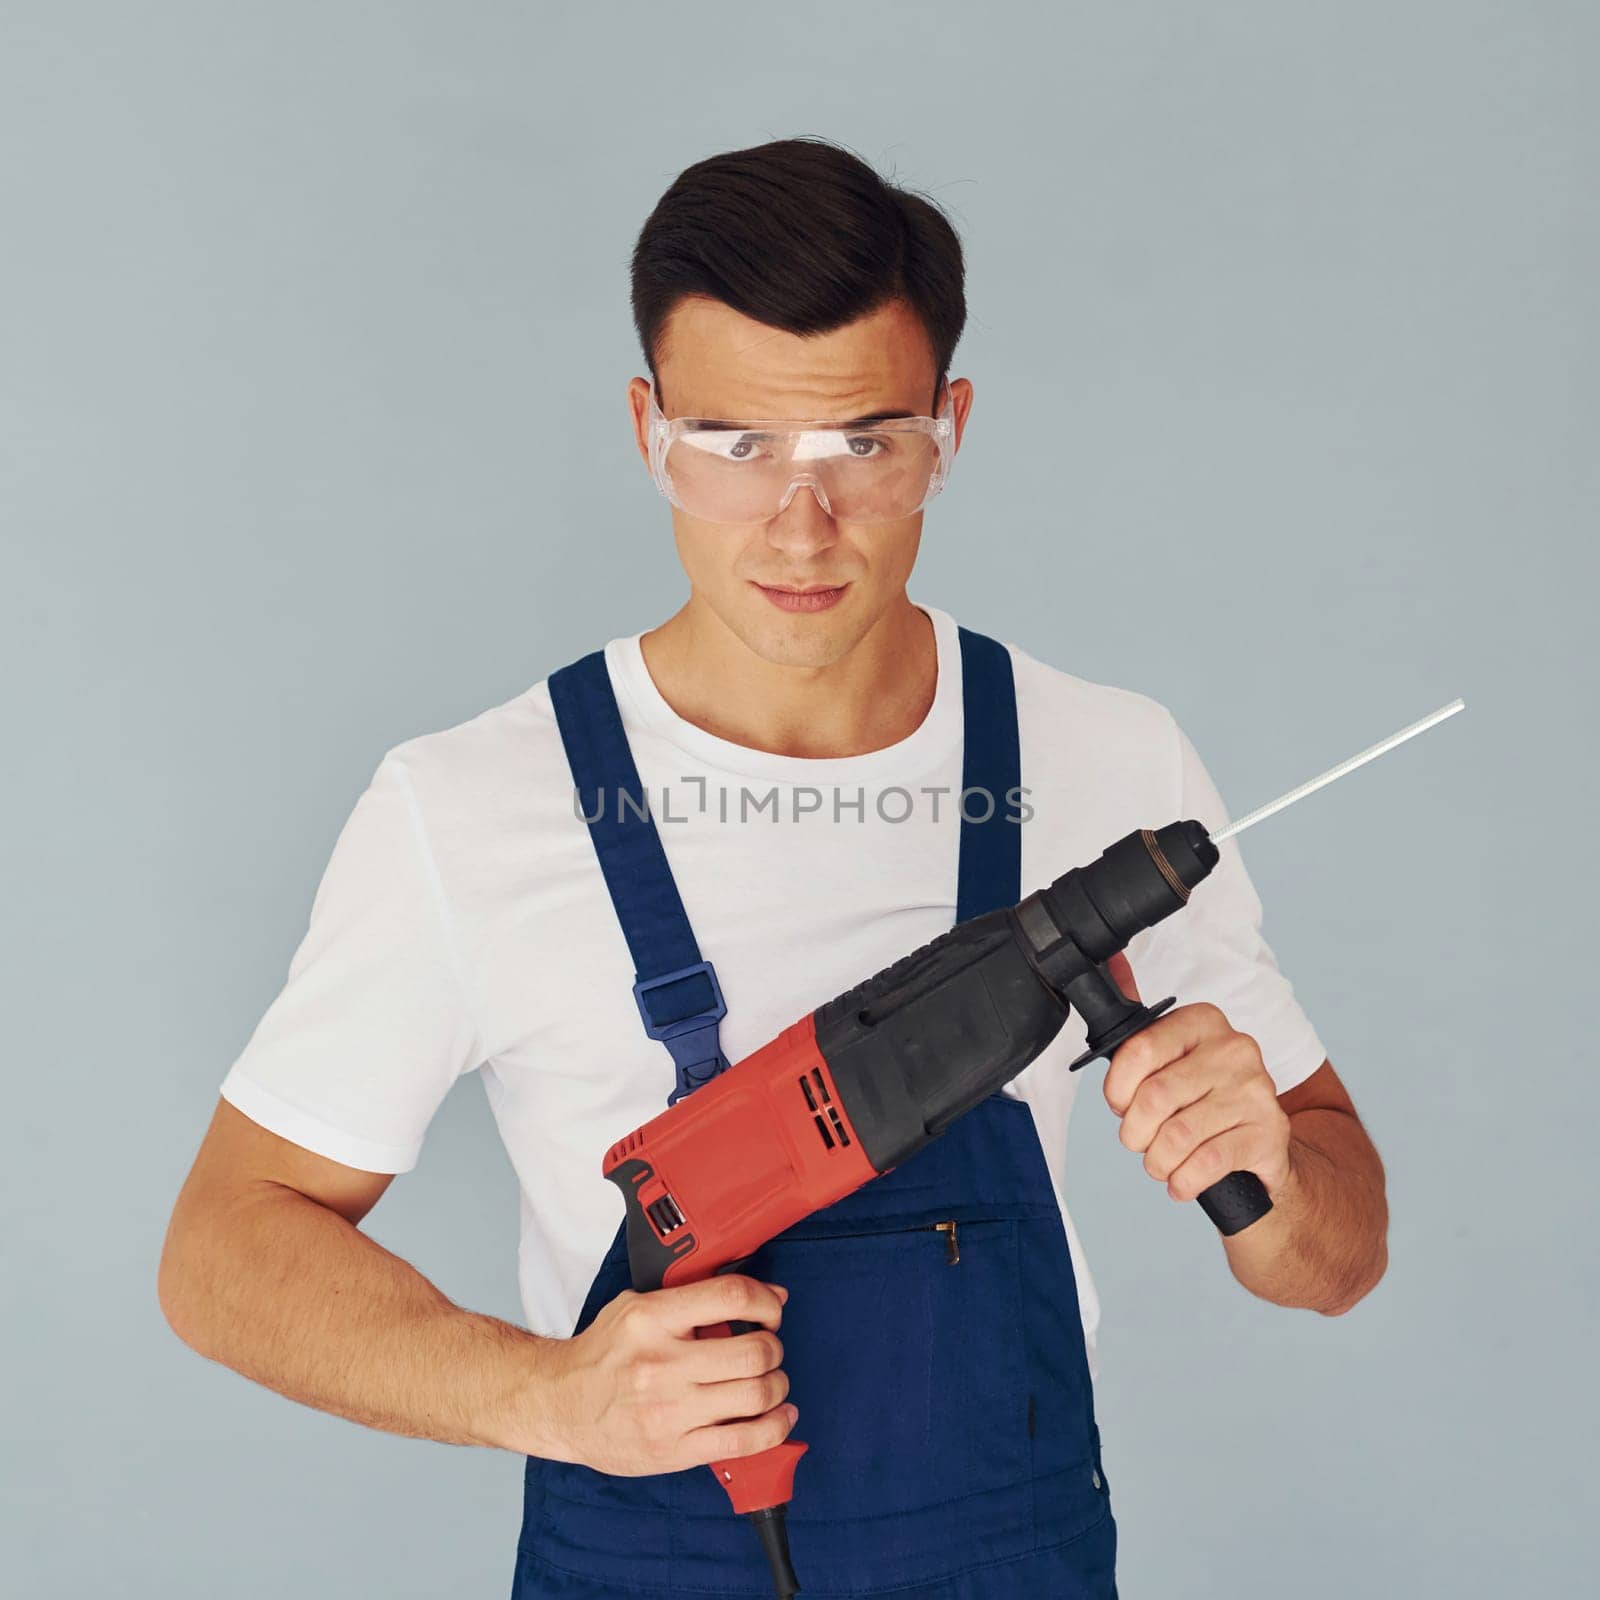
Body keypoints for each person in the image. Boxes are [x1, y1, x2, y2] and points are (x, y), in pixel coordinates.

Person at [158, 136, 1388, 1599]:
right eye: (735, 445)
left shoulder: (1109, 761)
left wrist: (1277, 1181)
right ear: (647, 432)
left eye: (865, 444)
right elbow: (221, 1255)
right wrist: (549, 1398)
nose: (801, 526)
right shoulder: (473, 807)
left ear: (950, 430)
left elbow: (1336, 1260)